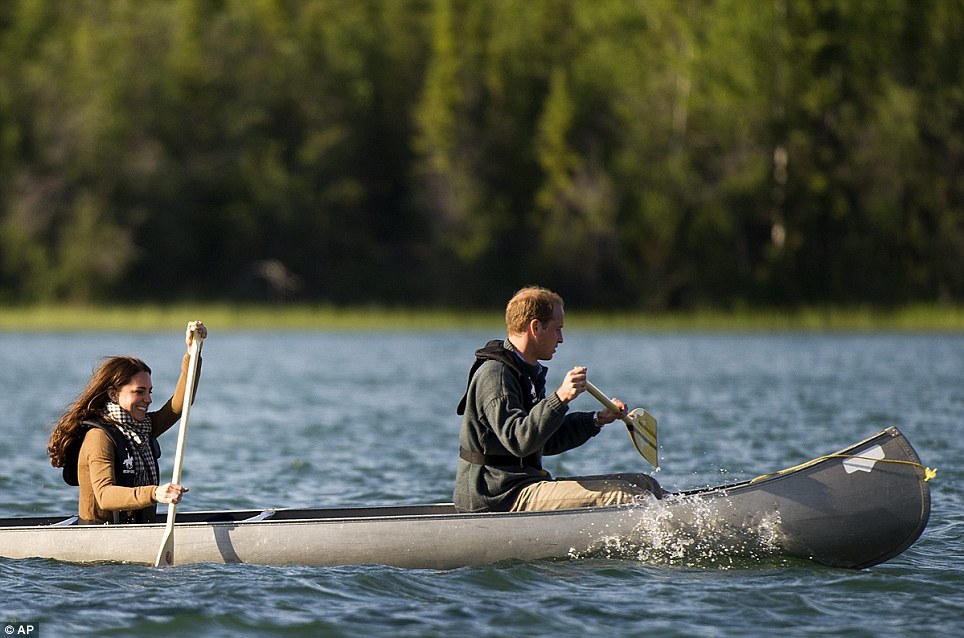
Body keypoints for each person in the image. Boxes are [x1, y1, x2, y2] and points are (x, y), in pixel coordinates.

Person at [454, 287, 663, 513]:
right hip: (498, 495)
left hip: (524, 484)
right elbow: (520, 441)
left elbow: (546, 441)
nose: (561, 339)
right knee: (623, 495)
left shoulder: (526, 372)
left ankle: (685, 518)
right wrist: (560, 398)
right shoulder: (496, 376)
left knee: (643, 483)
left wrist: (596, 420)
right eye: (557, 329)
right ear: (536, 327)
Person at [47, 321, 207, 524]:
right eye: (139, 392)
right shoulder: (99, 437)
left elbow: (180, 404)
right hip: (99, 536)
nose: (148, 399)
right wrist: (155, 493)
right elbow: (105, 496)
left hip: (137, 529)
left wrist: (193, 353)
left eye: (149, 392)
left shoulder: (143, 428)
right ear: (113, 394)